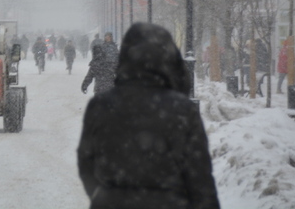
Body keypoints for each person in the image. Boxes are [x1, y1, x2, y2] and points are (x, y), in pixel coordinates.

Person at [77, 22, 219, 209]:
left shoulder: (101, 105)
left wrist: (103, 194)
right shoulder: (182, 110)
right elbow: (199, 176)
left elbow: (86, 161)